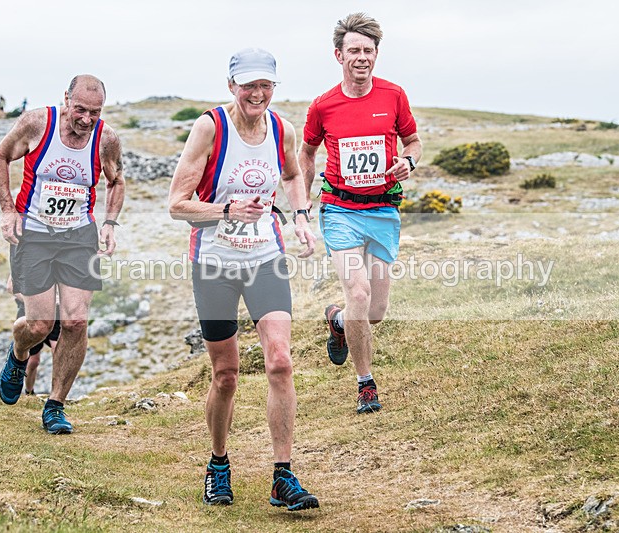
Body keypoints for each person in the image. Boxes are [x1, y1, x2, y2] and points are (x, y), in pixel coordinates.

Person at [168, 48, 319, 511]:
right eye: (249, 85)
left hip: (264, 257)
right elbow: (177, 203)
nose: (258, 94)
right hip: (214, 262)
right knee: (227, 374)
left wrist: (298, 216)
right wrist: (226, 210)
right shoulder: (210, 127)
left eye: (266, 86)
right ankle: (218, 463)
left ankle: (283, 476)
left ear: (275, 86)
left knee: (280, 361)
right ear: (231, 85)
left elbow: (293, 174)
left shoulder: (281, 129)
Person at [299, 13, 423, 414]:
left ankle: (337, 322)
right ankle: (365, 383)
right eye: (354, 50)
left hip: (383, 209)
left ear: (376, 55)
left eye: (368, 51)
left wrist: (409, 161)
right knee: (358, 291)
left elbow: (414, 141)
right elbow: (306, 153)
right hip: (339, 209)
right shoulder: (323, 105)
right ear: (339, 55)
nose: (361, 57)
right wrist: (301, 204)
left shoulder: (393, 95)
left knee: (374, 312)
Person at [0, 74, 125, 434]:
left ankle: (55, 405)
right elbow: (1, 156)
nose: (86, 119)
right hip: (33, 234)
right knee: (38, 325)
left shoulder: (105, 139)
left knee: (76, 321)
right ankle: (19, 354)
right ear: (66, 99)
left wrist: (110, 223)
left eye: (94, 112)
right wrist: (8, 210)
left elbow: (117, 181)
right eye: (80, 109)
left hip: (78, 236)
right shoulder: (38, 123)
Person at [6, 272, 60, 395]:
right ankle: (29, 392)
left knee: (59, 353)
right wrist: (34, 301)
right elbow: (10, 286)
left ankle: (57, 396)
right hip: (29, 312)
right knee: (33, 360)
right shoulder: (25, 256)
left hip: (55, 314)